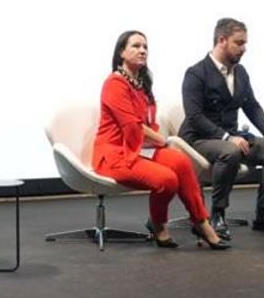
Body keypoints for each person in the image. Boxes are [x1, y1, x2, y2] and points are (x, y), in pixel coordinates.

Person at [94, 32, 228, 249]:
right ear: (121, 52)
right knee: (167, 179)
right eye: (136, 46)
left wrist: (157, 141)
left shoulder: (141, 83)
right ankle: (158, 225)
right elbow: (133, 126)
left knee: (181, 161)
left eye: (145, 47)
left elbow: (148, 123)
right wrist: (161, 140)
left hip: (138, 148)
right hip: (115, 154)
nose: (142, 50)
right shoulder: (114, 84)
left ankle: (201, 223)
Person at [179, 18, 264, 235]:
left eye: (245, 43)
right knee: (230, 151)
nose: (244, 48)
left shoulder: (240, 72)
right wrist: (226, 137)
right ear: (222, 40)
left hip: (231, 137)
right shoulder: (196, 73)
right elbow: (194, 117)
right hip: (198, 139)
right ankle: (217, 214)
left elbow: (252, 106)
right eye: (239, 43)